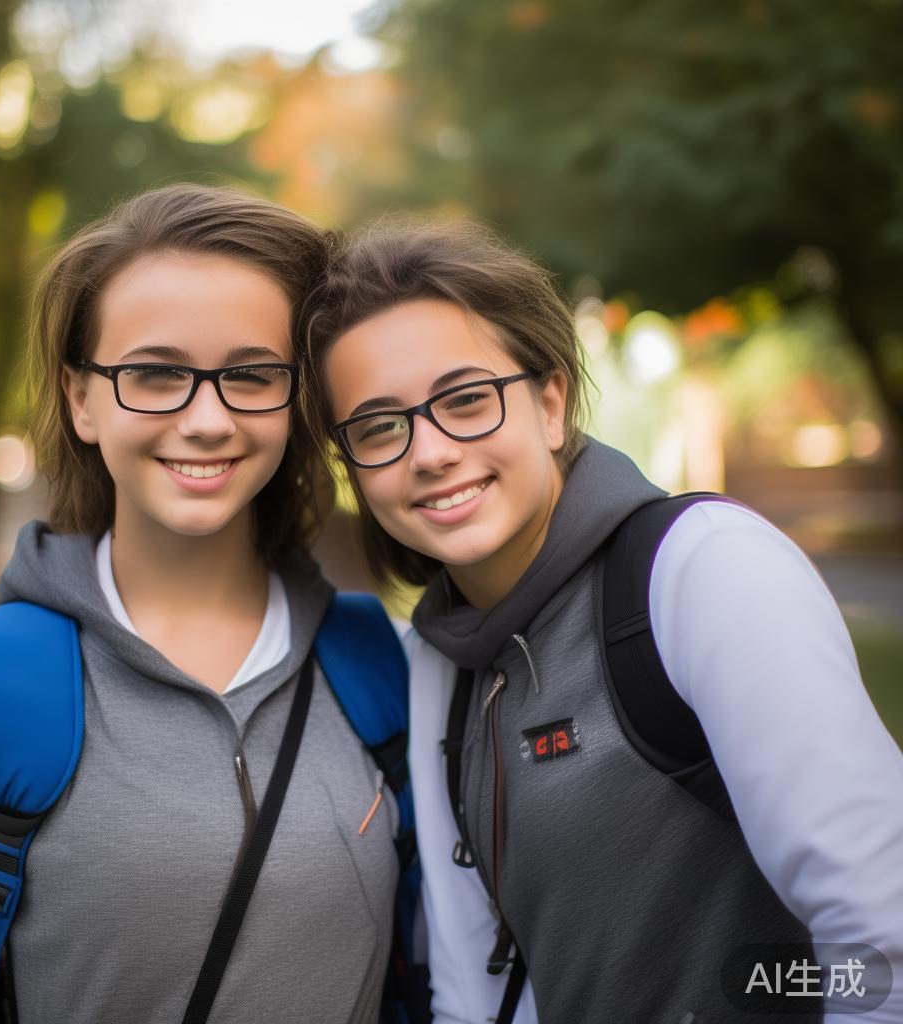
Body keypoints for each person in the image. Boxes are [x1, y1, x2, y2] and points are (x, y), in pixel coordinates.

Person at [301, 219, 903, 1024]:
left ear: (551, 404)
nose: (430, 451)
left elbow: (879, 940)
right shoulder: (440, 662)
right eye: (379, 426)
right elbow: (471, 990)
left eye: (467, 400)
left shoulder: (704, 570)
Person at [0, 184, 405, 1024]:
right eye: (155, 374)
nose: (206, 418)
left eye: (249, 374)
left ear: (297, 397)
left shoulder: (391, 666)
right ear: (80, 397)